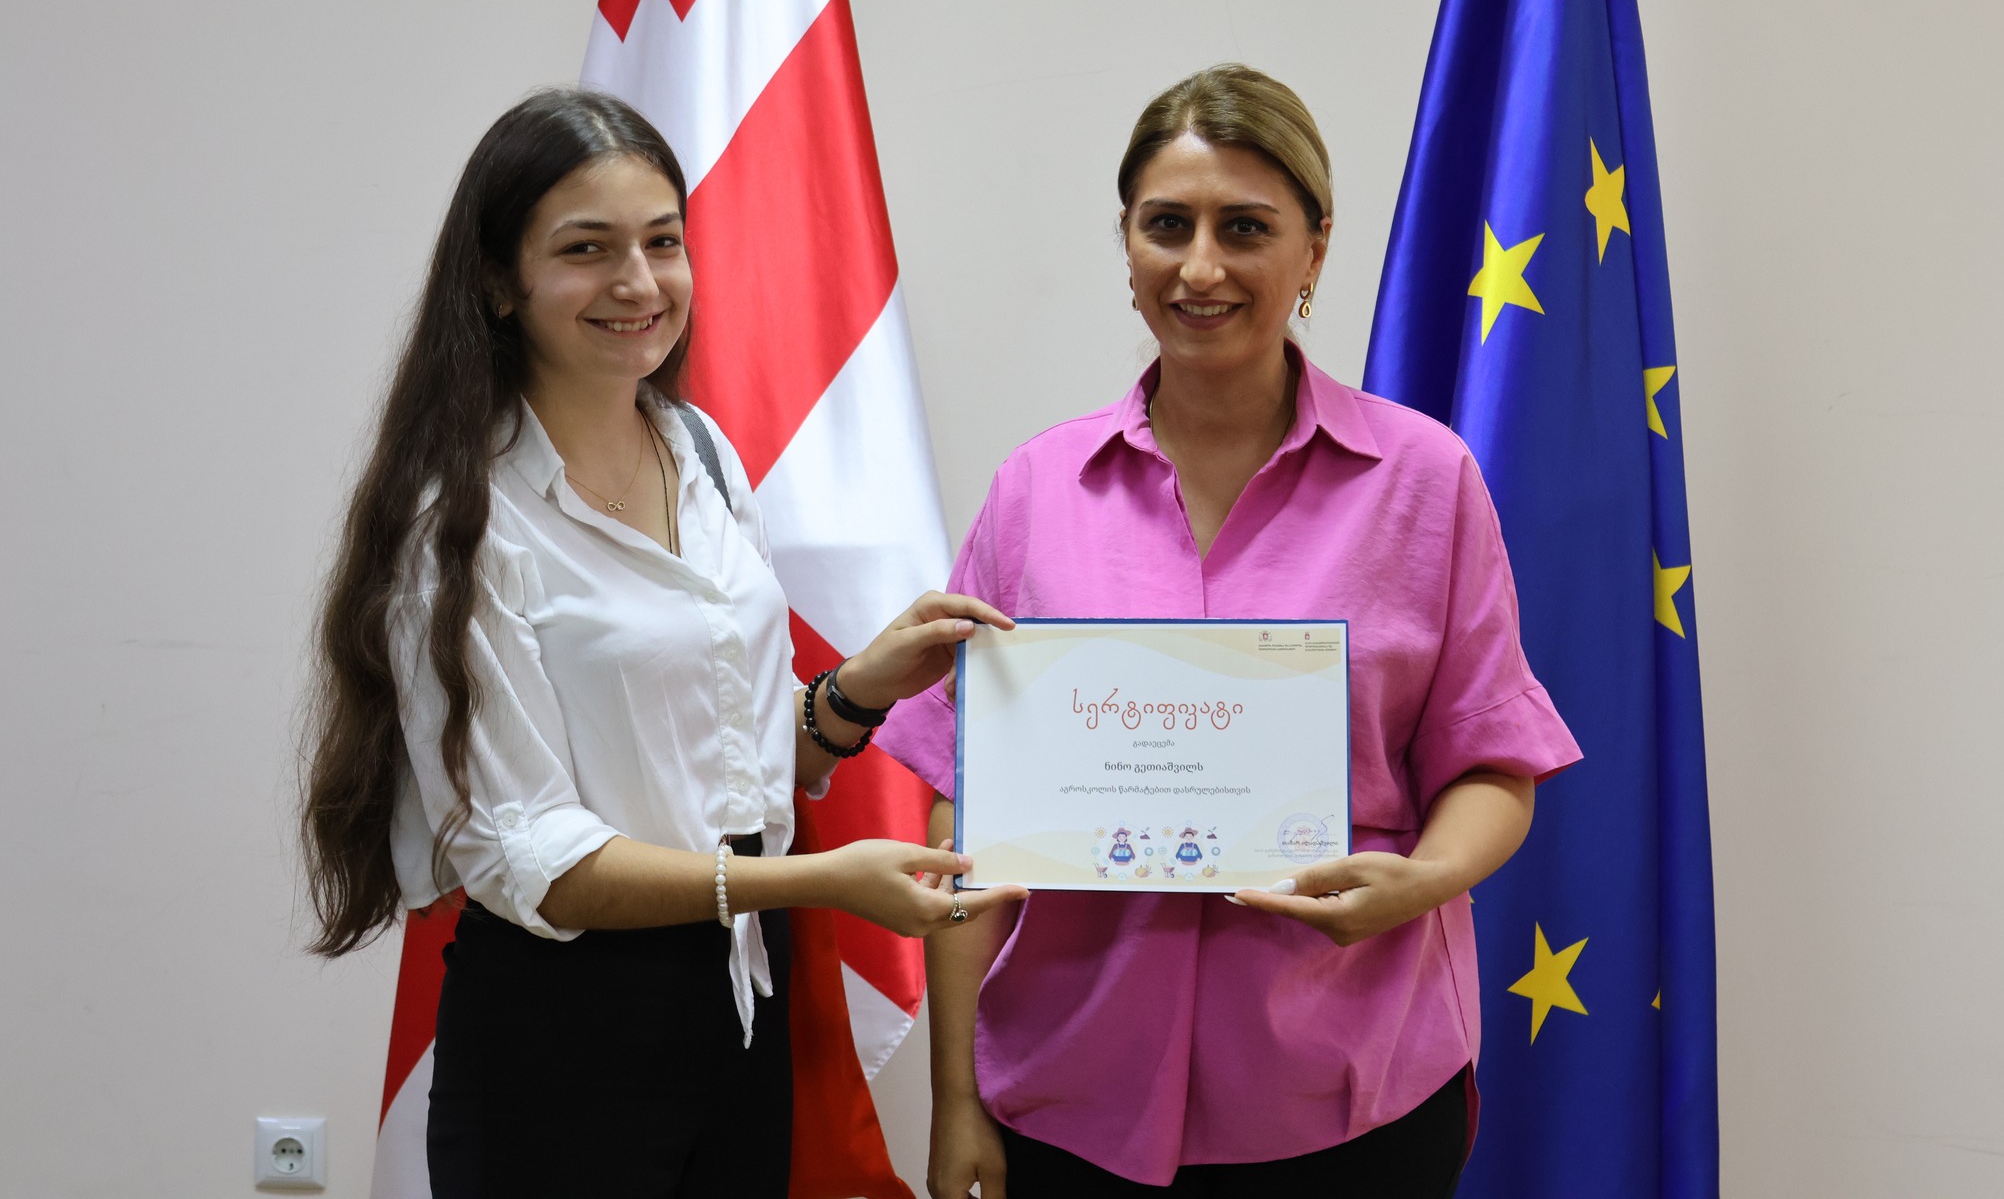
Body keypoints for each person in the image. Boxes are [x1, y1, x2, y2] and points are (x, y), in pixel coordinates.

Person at [298, 88, 1023, 1197]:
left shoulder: (702, 453)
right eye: (586, 249)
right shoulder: (461, 524)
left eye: (663, 242)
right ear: (497, 282)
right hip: (561, 1037)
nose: (638, 283)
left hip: (737, 1006)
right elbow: (537, 862)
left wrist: (859, 690)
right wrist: (821, 880)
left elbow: (727, 757)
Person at [884, 64, 1583, 1198]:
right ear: (1126, 246)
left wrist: (1421, 881)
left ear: (1314, 251)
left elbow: (1494, 764)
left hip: (1350, 1094)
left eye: (1244, 228)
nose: (1199, 266)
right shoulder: (1034, 491)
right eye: (1167, 225)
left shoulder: (1425, 481)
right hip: (1070, 1097)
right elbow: (968, 813)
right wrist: (956, 1094)